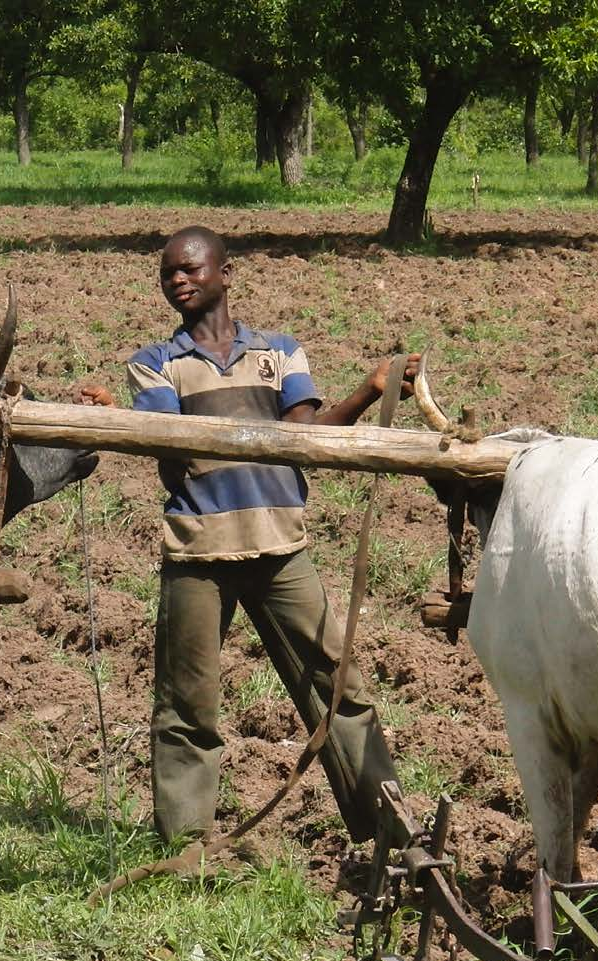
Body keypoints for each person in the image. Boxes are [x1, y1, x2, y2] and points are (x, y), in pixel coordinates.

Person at [78, 225, 420, 847]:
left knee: (337, 687)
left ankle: (387, 833)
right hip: (199, 552)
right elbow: (165, 436)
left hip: (281, 546)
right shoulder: (155, 363)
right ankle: (186, 846)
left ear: (225, 273)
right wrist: (118, 416)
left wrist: (370, 391)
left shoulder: (279, 354)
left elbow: (307, 438)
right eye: (167, 274)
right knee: (188, 703)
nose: (177, 280)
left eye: (189, 269)